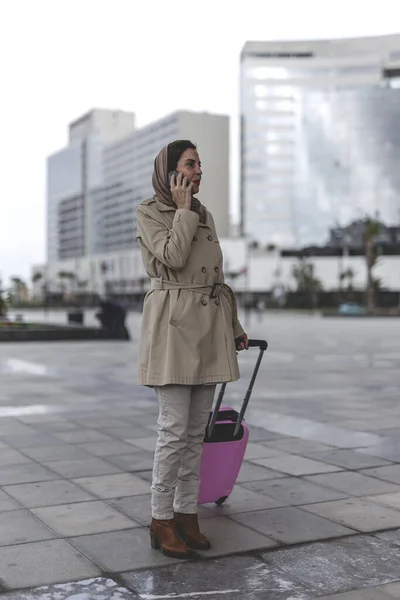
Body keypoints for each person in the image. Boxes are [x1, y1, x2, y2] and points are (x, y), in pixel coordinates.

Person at [136, 140, 248, 559]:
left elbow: (214, 278)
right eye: (189, 163)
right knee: (173, 431)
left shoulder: (206, 214)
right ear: (169, 171)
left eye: (200, 163)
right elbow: (173, 256)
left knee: (196, 434)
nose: (199, 169)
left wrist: (233, 325)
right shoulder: (149, 211)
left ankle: (186, 514)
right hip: (172, 329)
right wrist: (182, 211)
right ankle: (160, 518)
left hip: (207, 328)